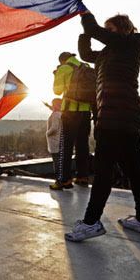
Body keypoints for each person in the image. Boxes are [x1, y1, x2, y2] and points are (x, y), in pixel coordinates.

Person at [65, 11, 140, 242]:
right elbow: (86, 54)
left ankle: (91, 222)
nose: (107, 32)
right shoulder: (110, 52)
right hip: (120, 117)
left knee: (103, 172)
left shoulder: (130, 43)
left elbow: (95, 31)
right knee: (134, 171)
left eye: (110, 28)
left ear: (123, 28)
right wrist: (83, 34)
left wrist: (85, 14)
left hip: (116, 117)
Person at [50, 51, 92, 190]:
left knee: (66, 146)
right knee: (82, 145)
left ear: (62, 60)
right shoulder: (85, 67)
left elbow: (57, 91)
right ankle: (83, 177)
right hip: (86, 111)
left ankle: (64, 180)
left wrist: (57, 75)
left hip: (70, 112)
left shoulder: (64, 68)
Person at [45, 99, 63, 178]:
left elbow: (54, 128)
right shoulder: (61, 114)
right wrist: (47, 105)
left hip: (55, 142)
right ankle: (60, 178)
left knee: (56, 162)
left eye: (53, 104)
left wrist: (47, 133)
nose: (52, 106)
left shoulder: (55, 115)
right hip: (59, 141)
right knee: (59, 161)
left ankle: (58, 178)